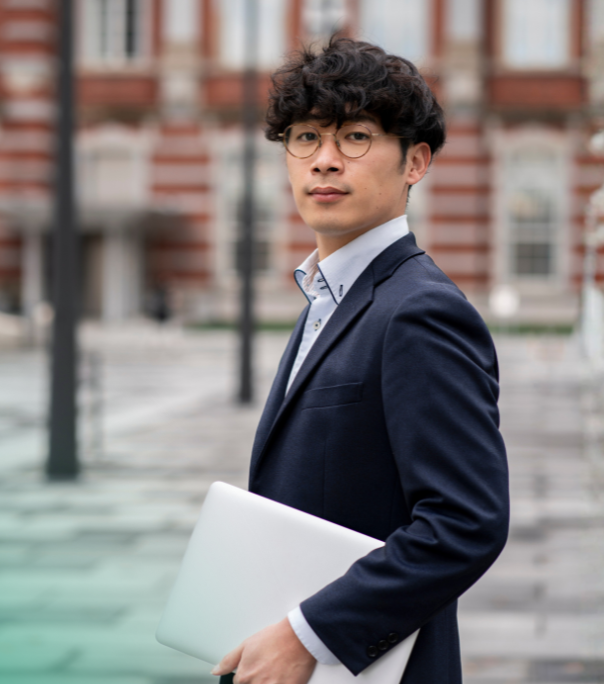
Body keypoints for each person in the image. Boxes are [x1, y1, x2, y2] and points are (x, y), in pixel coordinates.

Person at [210, 38, 510, 684]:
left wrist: (307, 637)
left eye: (355, 138)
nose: (323, 161)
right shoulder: (330, 294)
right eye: (306, 137)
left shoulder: (421, 312)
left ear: (415, 162)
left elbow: (466, 522)